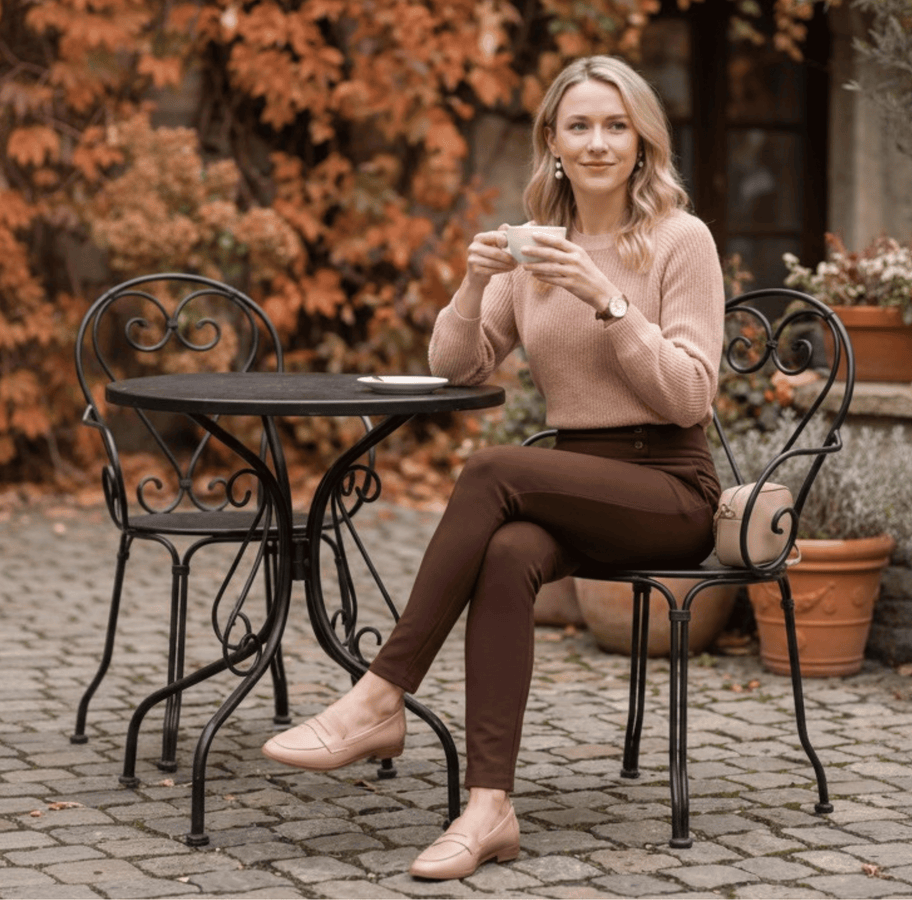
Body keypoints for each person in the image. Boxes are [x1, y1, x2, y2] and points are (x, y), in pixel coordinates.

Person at [262, 54, 725, 880]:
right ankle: (489, 808)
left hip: (668, 487)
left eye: (615, 126)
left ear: (643, 141)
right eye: (578, 126)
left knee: (489, 471)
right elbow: (458, 367)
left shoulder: (678, 241)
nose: (596, 143)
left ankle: (379, 695)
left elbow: (689, 396)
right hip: (575, 482)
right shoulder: (535, 248)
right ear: (550, 140)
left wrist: (608, 299)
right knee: (508, 553)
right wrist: (473, 286)